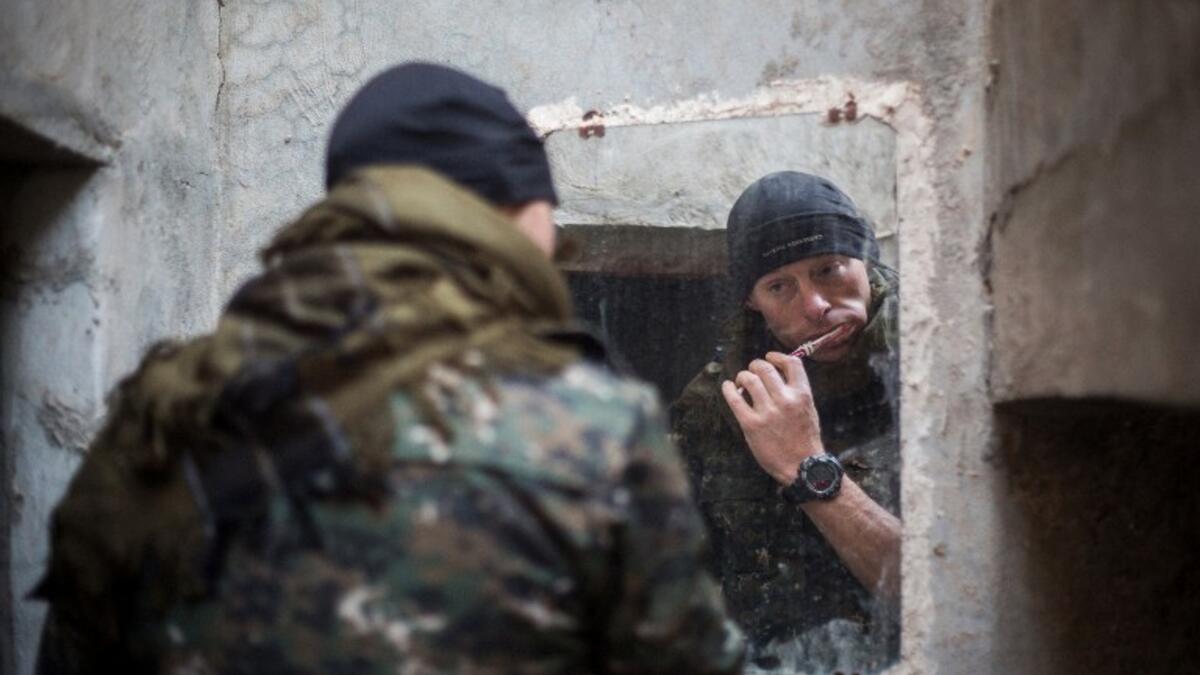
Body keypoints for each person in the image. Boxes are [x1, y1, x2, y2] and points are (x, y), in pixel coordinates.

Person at [34, 63, 744, 675]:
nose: (552, 241)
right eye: (544, 209)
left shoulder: (158, 419)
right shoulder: (585, 429)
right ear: (503, 210)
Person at [671, 171, 902, 669]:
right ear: (751, 302)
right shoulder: (717, 402)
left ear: (864, 259)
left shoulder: (937, 367)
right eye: (780, 286)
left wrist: (806, 466)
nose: (816, 306)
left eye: (829, 269)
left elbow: (954, 591)